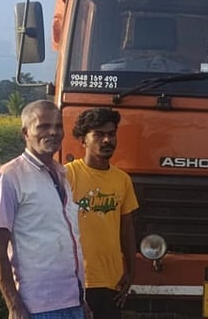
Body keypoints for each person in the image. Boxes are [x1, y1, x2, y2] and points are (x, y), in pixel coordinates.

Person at [0, 100, 88, 319]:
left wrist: (82, 301)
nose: (53, 132)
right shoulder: (8, 177)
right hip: (36, 308)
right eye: (42, 126)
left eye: (58, 126)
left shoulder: (62, 175)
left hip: (73, 302)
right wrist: (13, 305)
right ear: (25, 132)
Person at [66, 108, 139, 319]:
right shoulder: (68, 175)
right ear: (83, 139)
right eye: (98, 134)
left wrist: (131, 271)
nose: (107, 140)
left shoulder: (122, 180)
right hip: (76, 280)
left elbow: (127, 227)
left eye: (111, 134)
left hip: (111, 280)